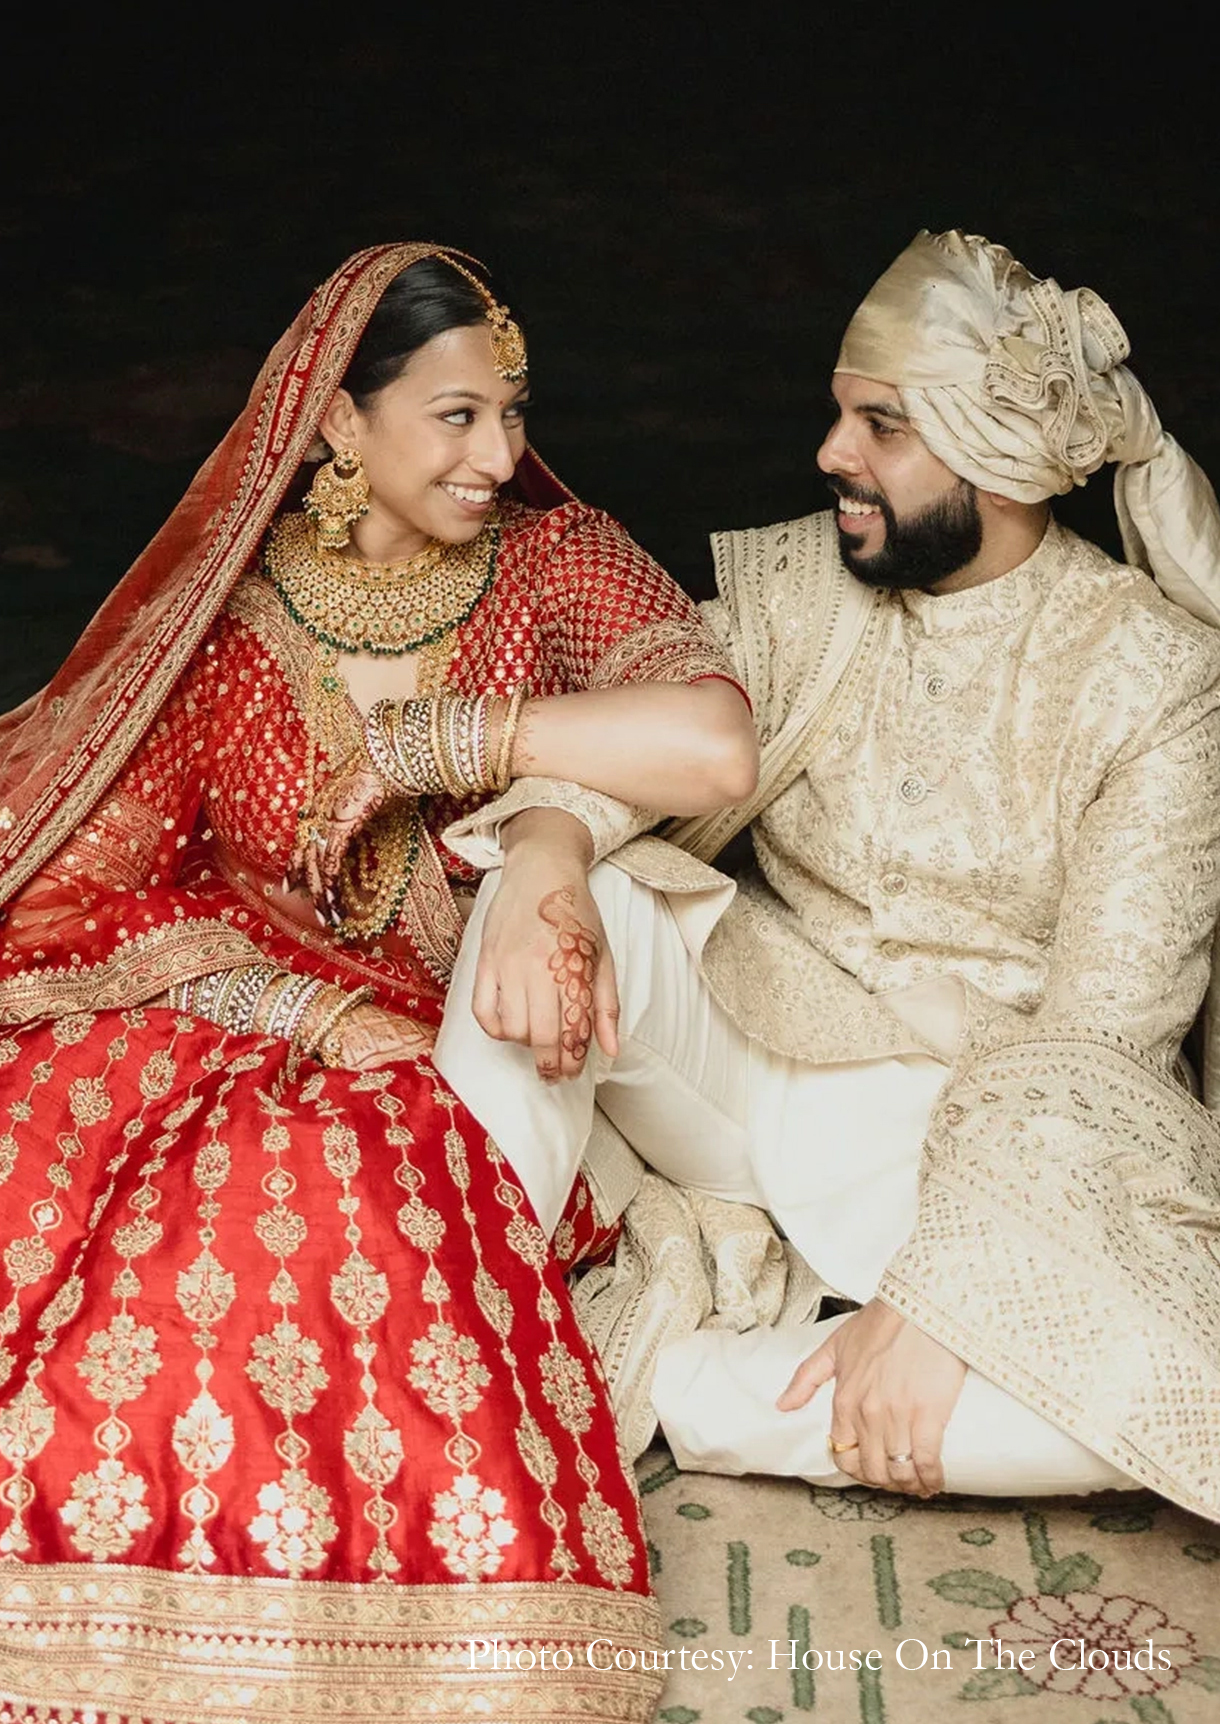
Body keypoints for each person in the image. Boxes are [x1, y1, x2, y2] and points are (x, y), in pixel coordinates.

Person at [0, 241, 756, 1719]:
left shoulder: (554, 562)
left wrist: (451, 744)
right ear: (340, 423)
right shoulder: (231, 624)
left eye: (513, 413)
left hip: (468, 1066)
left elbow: (714, 743)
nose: (503, 453)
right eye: (457, 416)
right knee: (120, 1195)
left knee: (320, 1182)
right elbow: (113, 887)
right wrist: (306, 1009)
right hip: (245, 1026)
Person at [433, 229, 1220, 1526]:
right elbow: (652, 736)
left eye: (881, 426)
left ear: (999, 454)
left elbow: (1102, 1037)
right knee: (588, 903)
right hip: (758, 1057)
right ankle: (445, 1337)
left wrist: (940, 1301)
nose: (831, 456)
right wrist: (549, 851)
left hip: (986, 1146)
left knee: (1153, 1408)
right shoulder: (809, 588)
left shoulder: (1153, 676)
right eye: (839, 414)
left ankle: (640, 1383)